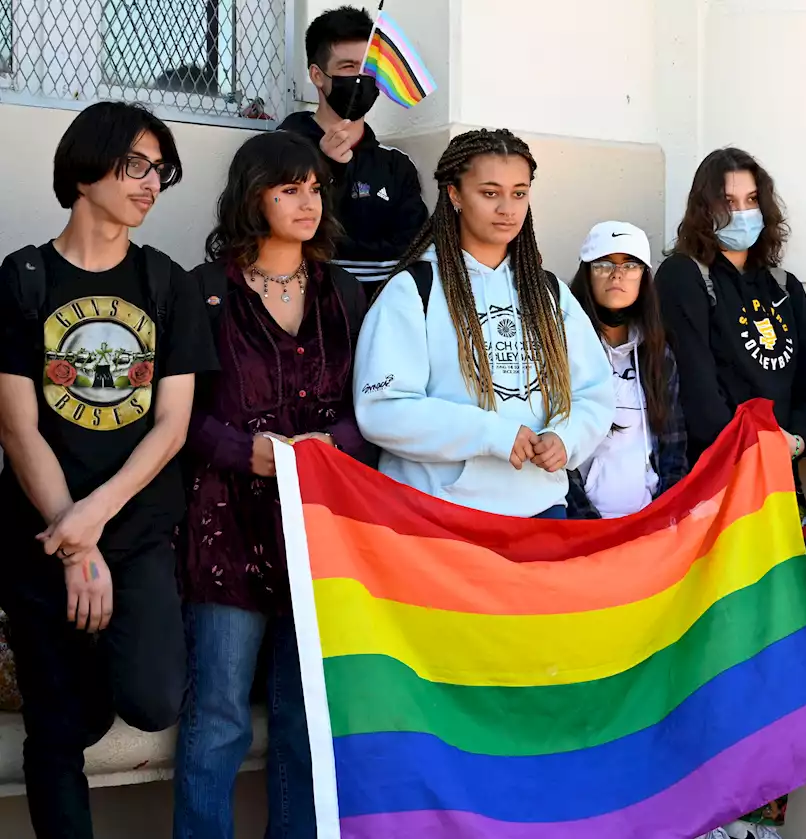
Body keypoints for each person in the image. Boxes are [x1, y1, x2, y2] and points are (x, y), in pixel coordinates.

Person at [0, 101, 218, 838]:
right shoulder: (23, 278)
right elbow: (17, 424)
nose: (151, 182)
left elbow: (172, 424)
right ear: (86, 165)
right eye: (135, 164)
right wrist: (72, 539)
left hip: (135, 533)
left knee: (156, 698)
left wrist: (95, 520)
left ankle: (82, 668)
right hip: (42, 540)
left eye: (160, 170)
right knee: (58, 735)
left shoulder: (166, 282)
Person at [172, 131, 368, 838]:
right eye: (289, 187)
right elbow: (176, 413)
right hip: (228, 528)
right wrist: (244, 450)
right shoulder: (203, 289)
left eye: (315, 186)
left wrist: (332, 446)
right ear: (252, 195)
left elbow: (372, 408)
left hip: (318, 529)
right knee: (219, 716)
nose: (307, 200)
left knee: (304, 719)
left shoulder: (343, 290)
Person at [658, 148, 806, 839]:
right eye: (726, 201)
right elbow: (702, 395)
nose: (741, 213)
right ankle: (712, 812)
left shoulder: (784, 285)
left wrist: (794, 440)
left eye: (751, 199)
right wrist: (753, 443)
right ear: (704, 208)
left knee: (784, 658)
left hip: (782, 497)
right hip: (719, 499)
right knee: (719, 658)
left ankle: (765, 814)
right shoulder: (684, 276)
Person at [353, 128, 613, 519]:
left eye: (519, 193)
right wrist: (493, 435)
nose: (507, 208)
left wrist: (567, 437)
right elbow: (383, 411)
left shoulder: (548, 292)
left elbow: (594, 390)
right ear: (455, 195)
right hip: (439, 514)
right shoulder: (413, 291)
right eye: (490, 193)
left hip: (540, 511)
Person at [280, 5, 429, 285]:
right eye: (348, 67)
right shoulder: (276, 152)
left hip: (381, 315)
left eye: (368, 68)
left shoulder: (395, 165)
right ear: (317, 75)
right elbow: (277, 240)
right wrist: (326, 169)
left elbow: (413, 248)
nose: (361, 79)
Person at [564, 221, 688, 519]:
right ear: (587, 273)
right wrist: (588, 525)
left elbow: (674, 447)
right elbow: (555, 457)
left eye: (631, 265)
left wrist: (665, 515)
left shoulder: (657, 354)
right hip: (584, 530)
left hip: (647, 526)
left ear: (644, 278)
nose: (617, 275)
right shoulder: (564, 349)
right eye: (604, 264)